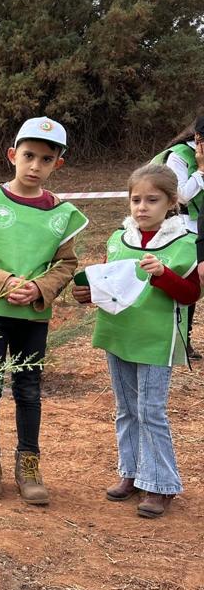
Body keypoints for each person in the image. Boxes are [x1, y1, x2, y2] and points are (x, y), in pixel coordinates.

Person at [0, 116, 88, 505]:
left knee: (28, 389)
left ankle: (28, 463)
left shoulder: (63, 215)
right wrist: (4, 282)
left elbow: (66, 264)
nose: (35, 166)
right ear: (13, 154)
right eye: (28, 155)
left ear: (57, 165)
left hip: (33, 315)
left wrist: (39, 288)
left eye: (46, 159)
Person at [73, 164, 199, 518]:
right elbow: (106, 285)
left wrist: (164, 275)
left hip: (156, 339)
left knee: (151, 411)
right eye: (136, 200)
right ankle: (131, 472)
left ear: (171, 202)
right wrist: (85, 293)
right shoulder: (118, 239)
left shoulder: (184, 244)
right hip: (118, 334)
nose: (142, 207)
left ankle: (161, 484)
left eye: (152, 200)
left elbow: (190, 294)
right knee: (126, 409)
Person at [151, 114, 204, 357]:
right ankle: (181, 337)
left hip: (198, 220)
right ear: (198, 139)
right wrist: (201, 170)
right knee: (186, 276)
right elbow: (179, 195)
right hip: (178, 223)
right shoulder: (179, 156)